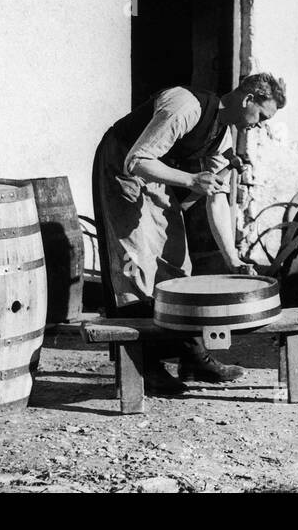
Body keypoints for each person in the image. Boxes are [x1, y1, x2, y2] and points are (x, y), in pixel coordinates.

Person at [91, 71, 286, 395]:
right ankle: (144, 368)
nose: (260, 124)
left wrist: (233, 259)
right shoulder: (185, 106)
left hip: (157, 175)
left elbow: (216, 198)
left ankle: (192, 357)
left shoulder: (223, 133)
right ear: (248, 99)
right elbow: (136, 160)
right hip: (121, 169)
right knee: (136, 267)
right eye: (262, 116)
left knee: (176, 263)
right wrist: (191, 181)